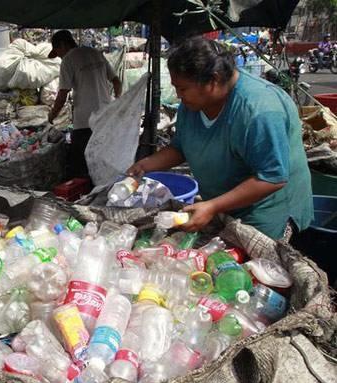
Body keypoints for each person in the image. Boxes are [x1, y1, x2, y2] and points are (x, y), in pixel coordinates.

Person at [127, 37, 313, 240]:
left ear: (213, 80)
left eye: (182, 88)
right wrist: (145, 165)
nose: (178, 95)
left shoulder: (259, 110)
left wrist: (213, 206)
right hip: (224, 205)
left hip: (266, 213)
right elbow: (181, 146)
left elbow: (271, 177)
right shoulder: (193, 106)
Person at [47, 30, 121, 179]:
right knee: (103, 159)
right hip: (105, 117)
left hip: (85, 122)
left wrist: (51, 116)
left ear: (62, 45)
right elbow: (116, 81)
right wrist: (116, 102)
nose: (60, 57)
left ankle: (84, 196)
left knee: (80, 166)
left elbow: (62, 94)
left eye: (58, 52)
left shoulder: (68, 60)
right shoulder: (95, 53)